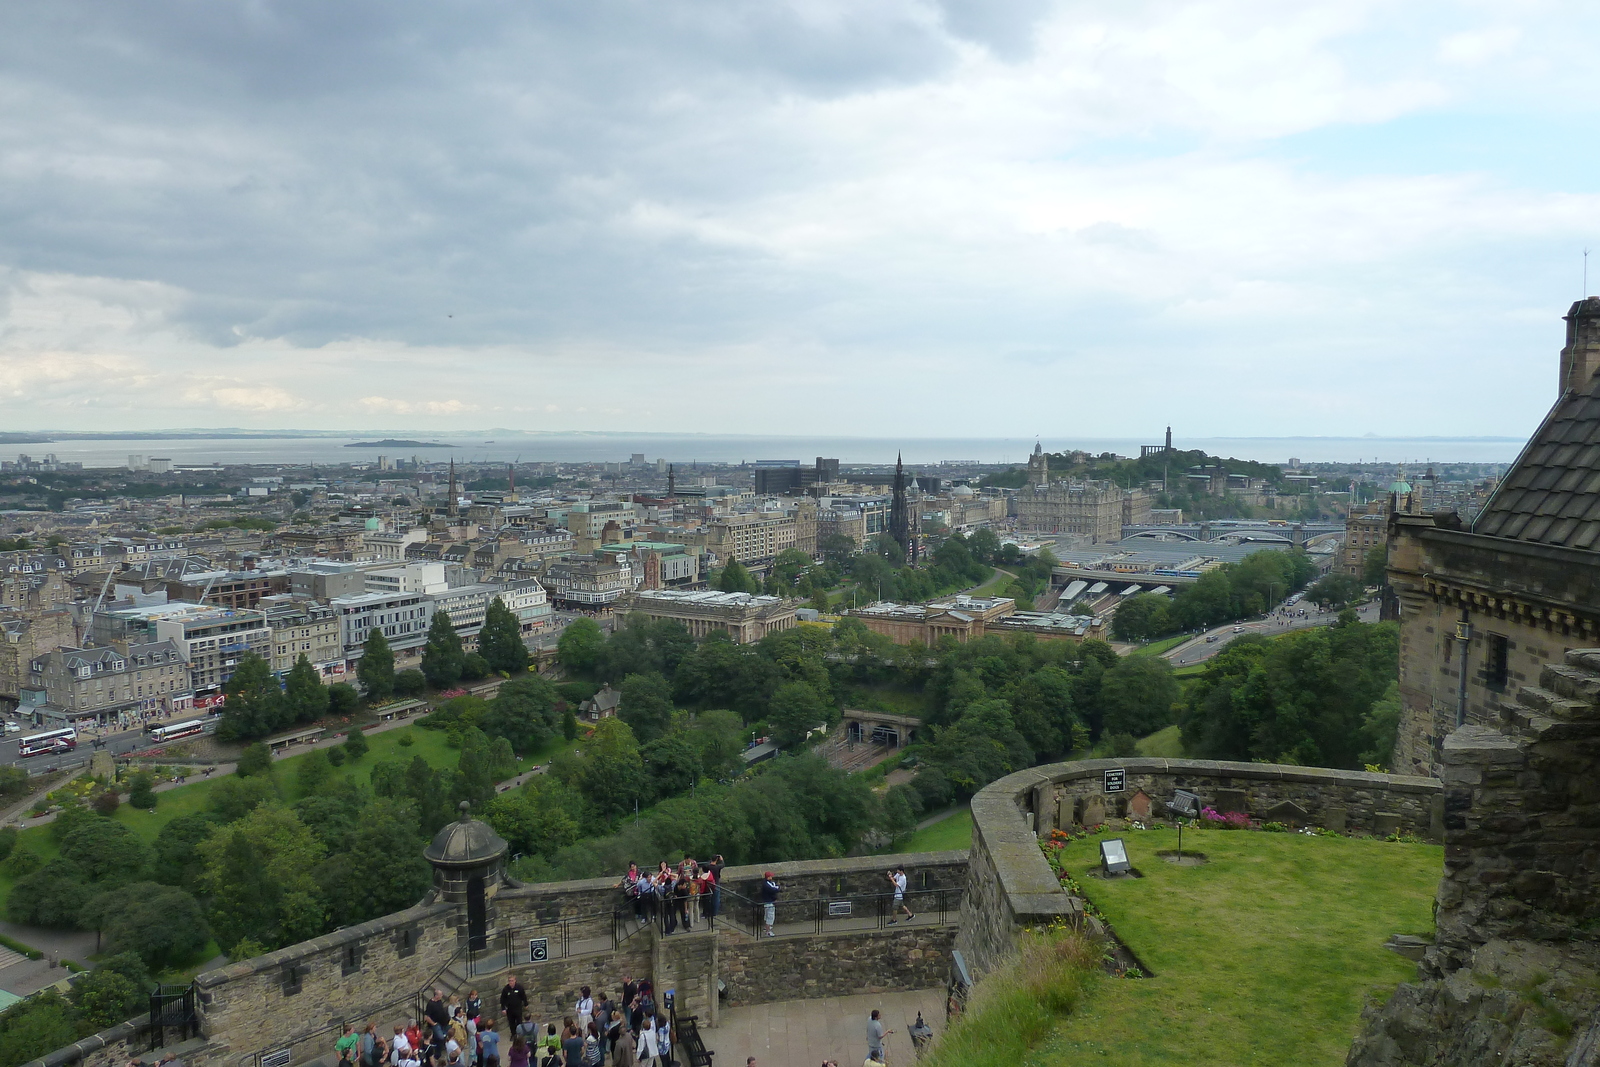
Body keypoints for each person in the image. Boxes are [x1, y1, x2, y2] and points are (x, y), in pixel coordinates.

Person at [760, 871, 782, 936]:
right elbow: (774, 889)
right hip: (769, 902)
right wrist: (778, 888)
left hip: (769, 902)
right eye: (770, 876)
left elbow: (775, 886)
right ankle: (768, 931)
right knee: (770, 917)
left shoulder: (769, 883)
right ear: (768, 877)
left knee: (767, 916)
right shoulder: (766, 884)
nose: (771, 877)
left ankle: (766, 928)